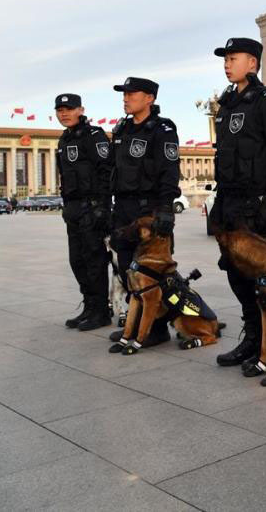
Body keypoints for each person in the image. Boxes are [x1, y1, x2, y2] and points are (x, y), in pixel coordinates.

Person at [208, 37, 266, 369]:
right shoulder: (227, 103)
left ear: (253, 63)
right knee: (236, 275)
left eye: (233, 58)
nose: (227, 63)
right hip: (230, 204)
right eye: (225, 58)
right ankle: (252, 338)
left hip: (258, 204)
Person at [107, 77, 181, 348]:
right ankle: (137, 323)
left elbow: (169, 171)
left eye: (131, 93)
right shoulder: (123, 128)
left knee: (152, 272)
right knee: (128, 269)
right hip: (124, 209)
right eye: (124, 94)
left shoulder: (162, 129)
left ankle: (157, 328)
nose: (125, 98)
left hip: (149, 210)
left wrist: (165, 210)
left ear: (149, 98)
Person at [55, 93, 113, 330]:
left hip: (92, 208)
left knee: (94, 260)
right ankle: (89, 306)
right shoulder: (64, 140)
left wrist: (102, 206)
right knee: (77, 260)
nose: (64, 114)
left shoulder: (94, 135)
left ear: (81, 110)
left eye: (69, 109)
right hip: (74, 209)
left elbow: (107, 170)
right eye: (60, 110)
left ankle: (101, 311)